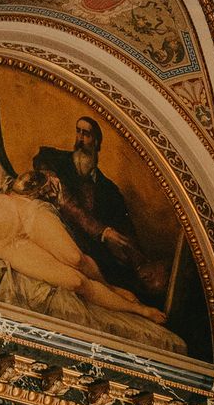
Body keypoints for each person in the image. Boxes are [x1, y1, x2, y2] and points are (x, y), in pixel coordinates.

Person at [0, 90, 167, 320]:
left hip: (24, 212)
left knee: (75, 258)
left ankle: (118, 294)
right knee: (74, 282)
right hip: (6, 241)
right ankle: (137, 309)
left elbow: (9, 186)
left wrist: (33, 182)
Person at [32, 114, 161, 300]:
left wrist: (140, 262)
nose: (81, 138)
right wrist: (103, 232)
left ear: (97, 142)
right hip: (52, 239)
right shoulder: (53, 160)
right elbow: (66, 202)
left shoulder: (109, 190)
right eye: (78, 132)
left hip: (86, 255)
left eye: (87, 134)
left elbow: (125, 232)